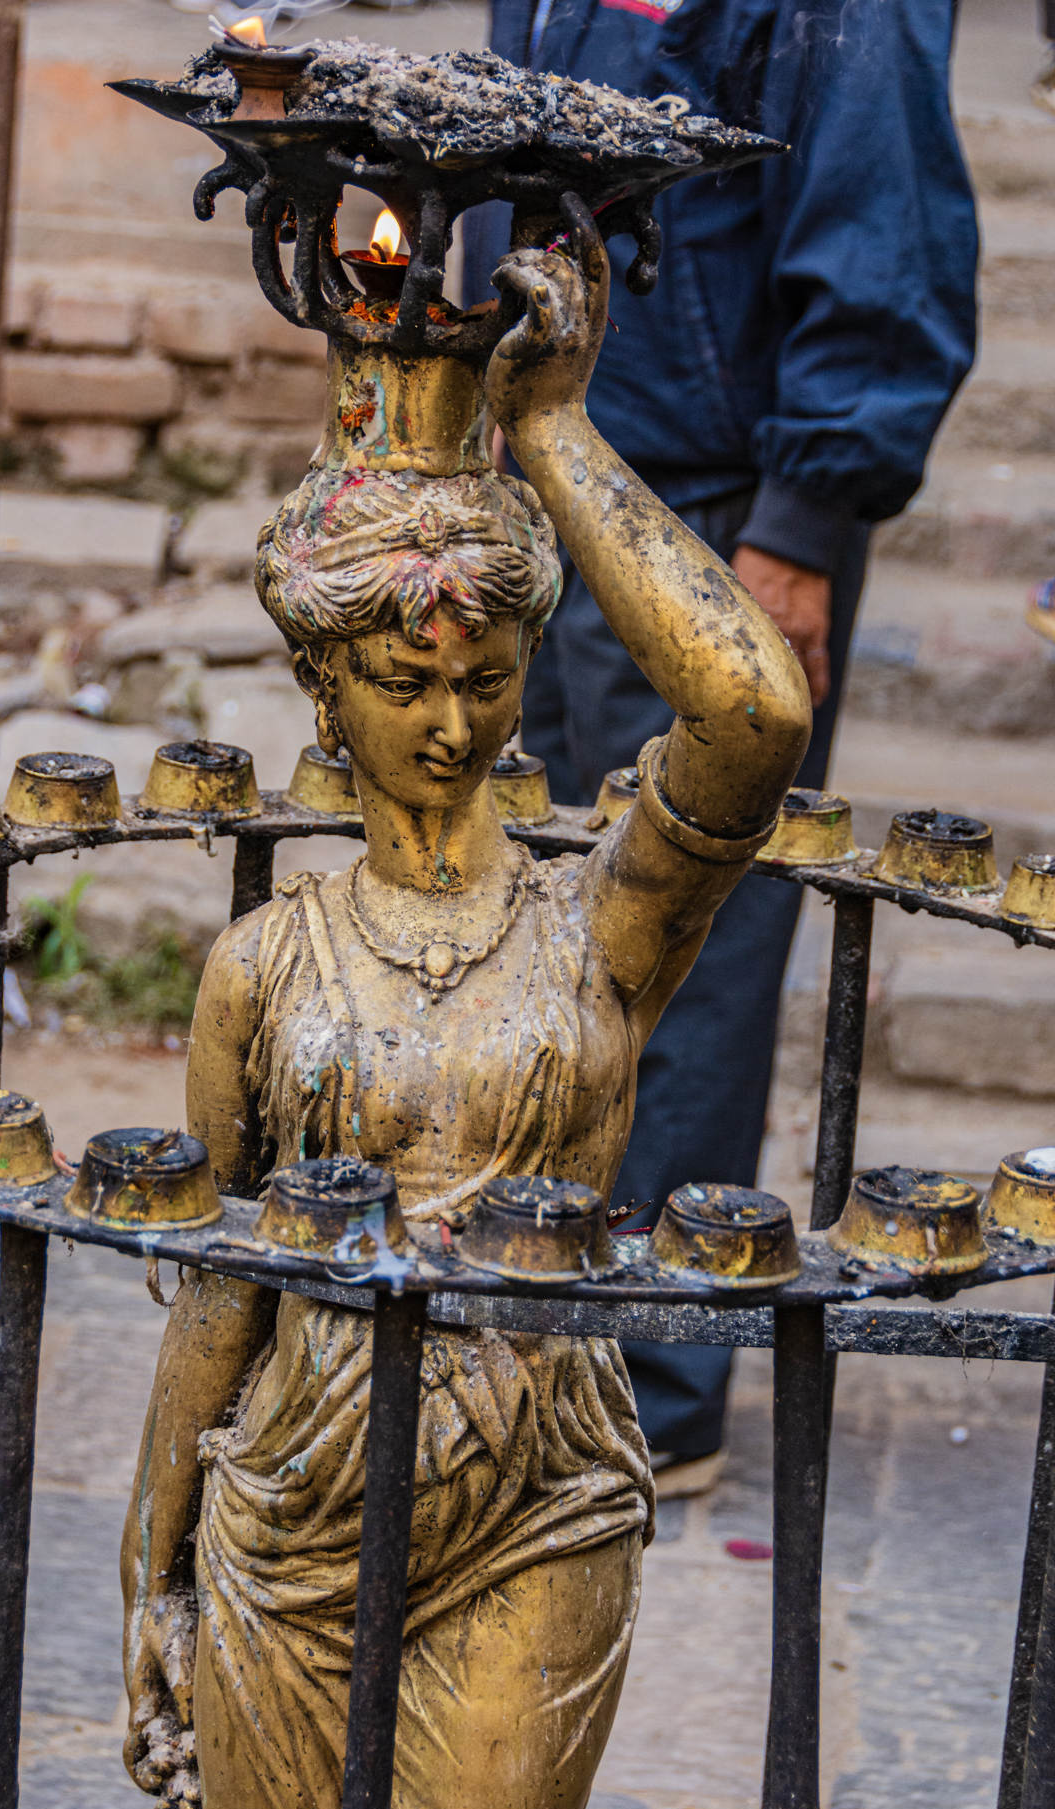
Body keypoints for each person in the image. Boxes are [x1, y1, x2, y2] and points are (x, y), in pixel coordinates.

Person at [122, 211, 811, 1809]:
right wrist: (151, 1565)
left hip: (535, 1496)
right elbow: (222, 1287)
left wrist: (560, 434)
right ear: (320, 682)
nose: (448, 721)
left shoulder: (602, 929)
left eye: (488, 676)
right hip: (285, 1504)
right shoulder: (263, 967)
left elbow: (754, 717)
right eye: (397, 679)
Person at [463, 0, 979, 1490]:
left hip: (719, 507)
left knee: (695, 924)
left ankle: (653, 1372)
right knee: (540, 893)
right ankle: (535, 1296)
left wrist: (805, 536)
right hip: (547, 468)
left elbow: (890, 244)